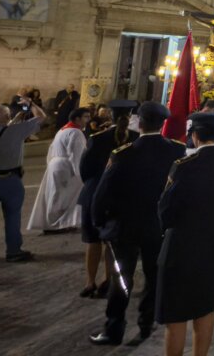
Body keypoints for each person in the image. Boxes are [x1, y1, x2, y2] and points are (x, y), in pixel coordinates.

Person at [89, 102, 186, 346]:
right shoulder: (176, 151)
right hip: (159, 226)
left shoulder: (123, 153)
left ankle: (114, 329)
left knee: (121, 279)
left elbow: (103, 193)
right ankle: (147, 322)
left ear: (139, 123)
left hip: (125, 226)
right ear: (163, 123)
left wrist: (99, 221)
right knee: (154, 277)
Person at [156, 111, 214, 356]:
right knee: (206, 305)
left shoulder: (183, 166)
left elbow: (165, 209)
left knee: (176, 311)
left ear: (193, 135)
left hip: (183, 240)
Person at [0, 98, 46, 267]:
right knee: (12, 216)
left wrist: (13, 121)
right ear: (6, 117)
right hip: (8, 179)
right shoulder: (15, 131)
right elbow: (41, 117)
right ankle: (13, 251)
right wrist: (31, 103)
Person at [78, 101, 138, 299]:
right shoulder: (136, 139)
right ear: (130, 117)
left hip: (94, 192)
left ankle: (89, 281)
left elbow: (85, 169)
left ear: (109, 116)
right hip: (122, 195)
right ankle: (108, 279)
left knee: (92, 240)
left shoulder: (97, 138)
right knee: (112, 241)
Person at [27, 106, 89, 233]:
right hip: (66, 167)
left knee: (55, 195)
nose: (88, 120)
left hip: (55, 165)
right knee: (64, 197)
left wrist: (51, 164)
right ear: (77, 119)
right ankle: (59, 224)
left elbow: (51, 149)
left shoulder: (62, 130)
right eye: (86, 117)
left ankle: (54, 223)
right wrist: (80, 174)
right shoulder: (76, 132)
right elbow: (75, 154)